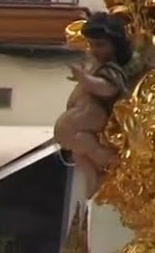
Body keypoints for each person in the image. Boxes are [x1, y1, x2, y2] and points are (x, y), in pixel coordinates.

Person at [54, 12, 142, 197]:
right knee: (78, 153)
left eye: (100, 45)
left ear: (115, 45)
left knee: (72, 136)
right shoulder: (96, 64)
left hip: (96, 113)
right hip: (83, 116)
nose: (95, 50)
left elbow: (107, 89)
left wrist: (85, 79)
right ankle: (93, 178)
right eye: (92, 45)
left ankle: (104, 156)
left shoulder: (112, 69)